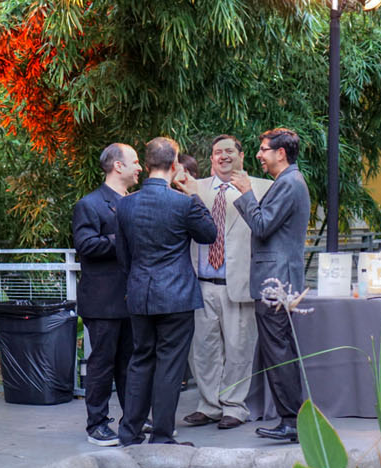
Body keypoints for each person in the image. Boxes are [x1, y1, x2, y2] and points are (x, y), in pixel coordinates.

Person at [116, 138, 217, 447]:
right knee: (170, 364)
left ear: (146, 166)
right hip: (176, 295)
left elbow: (123, 255)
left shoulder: (125, 204)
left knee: (140, 361)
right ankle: (161, 435)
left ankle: (130, 432)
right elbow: (209, 234)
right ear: (175, 166)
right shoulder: (184, 203)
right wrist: (195, 197)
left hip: (140, 293)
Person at [185, 135, 269, 430]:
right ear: (211, 159)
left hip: (240, 283)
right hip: (201, 282)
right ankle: (208, 405)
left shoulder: (262, 188)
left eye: (229, 151)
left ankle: (234, 406)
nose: (223, 156)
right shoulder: (192, 188)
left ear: (242, 156)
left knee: (238, 349)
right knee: (203, 349)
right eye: (217, 152)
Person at [235, 127, 310, 442]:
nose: (258, 154)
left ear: (281, 153)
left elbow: (263, 225)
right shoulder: (291, 181)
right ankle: (293, 419)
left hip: (274, 284)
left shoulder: (289, 183)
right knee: (281, 350)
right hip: (280, 279)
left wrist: (246, 192)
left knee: (278, 351)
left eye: (264, 149)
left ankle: (291, 421)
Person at [72, 143, 139, 447]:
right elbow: (86, 245)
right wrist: (123, 239)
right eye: (135, 162)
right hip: (102, 301)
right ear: (118, 166)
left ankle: (133, 420)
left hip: (131, 299)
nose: (140, 167)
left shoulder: (134, 201)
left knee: (130, 362)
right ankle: (96, 425)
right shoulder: (90, 204)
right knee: (101, 364)